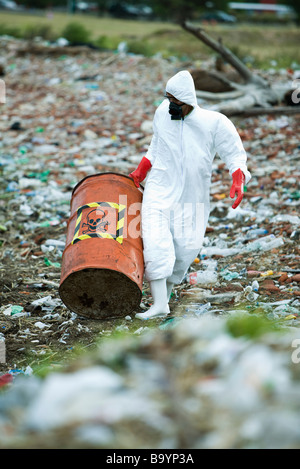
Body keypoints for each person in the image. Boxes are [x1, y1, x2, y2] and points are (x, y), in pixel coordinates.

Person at [129, 70, 251, 320]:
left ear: (189, 101)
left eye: (177, 103)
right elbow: (157, 144)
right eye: (169, 99)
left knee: (184, 247)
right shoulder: (162, 112)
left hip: (192, 194)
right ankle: (159, 304)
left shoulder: (214, 122)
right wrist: (142, 169)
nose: (171, 106)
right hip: (160, 186)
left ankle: (166, 298)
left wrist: (238, 178)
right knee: (155, 240)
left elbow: (234, 154)